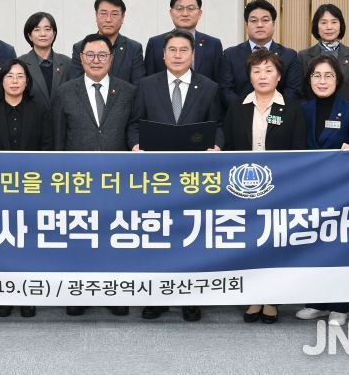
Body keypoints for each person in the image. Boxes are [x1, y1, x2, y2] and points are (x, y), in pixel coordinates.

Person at [129, 28, 223, 323]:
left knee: (189, 237)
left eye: (184, 50)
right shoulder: (147, 85)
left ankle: (189, 298)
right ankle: (156, 298)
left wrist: (217, 145)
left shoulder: (208, 87)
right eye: (172, 50)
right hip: (155, 175)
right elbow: (134, 124)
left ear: (193, 55)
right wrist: (135, 145)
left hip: (193, 175)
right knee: (157, 237)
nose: (178, 55)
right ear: (163, 54)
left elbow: (218, 125)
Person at [52, 33, 136, 317]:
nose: (96, 60)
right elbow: (58, 139)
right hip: (78, 179)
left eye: (102, 55)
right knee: (80, 236)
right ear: (81, 58)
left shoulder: (128, 91)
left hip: (117, 179)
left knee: (115, 236)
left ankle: (114, 292)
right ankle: (79, 291)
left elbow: (133, 131)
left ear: (111, 59)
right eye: (90, 55)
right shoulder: (65, 91)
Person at [223, 48, 307, 324]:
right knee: (249, 242)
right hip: (243, 187)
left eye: (269, 70)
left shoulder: (292, 108)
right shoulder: (238, 106)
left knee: (274, 243)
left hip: (280, 188)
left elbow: (298, 150)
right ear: (249, 76)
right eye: (257, 70)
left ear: (279, 76)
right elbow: (230, 147)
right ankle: (253, 296)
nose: (262, 76)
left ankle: (272, 299)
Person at [0, 59, 53, 319]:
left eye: (20, 76)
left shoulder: (39, 110)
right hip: (0, 189)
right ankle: (5, 295)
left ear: (27, 82)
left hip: (32, 187)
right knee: (4, 243)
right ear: (2, 81)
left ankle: (27, 296)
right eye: (9, 76)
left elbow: (47, 148)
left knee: (28, 243)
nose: (14, 81)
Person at [294, 54, 349, 327]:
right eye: (316, 76)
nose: (322, 81)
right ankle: (317, 303)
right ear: (309, 80)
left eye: (328, 76)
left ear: (338, 79)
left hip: (340, 189)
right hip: (309, 188)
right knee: (312, 245)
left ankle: (339, 307)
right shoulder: (302, 109)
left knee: (338, 247)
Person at [145, 0, 227, 109]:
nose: (185, 13)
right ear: (171, 13)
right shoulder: (156, 43)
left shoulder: (213, 44)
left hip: (202, 110)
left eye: (191, 8)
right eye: (179, 8)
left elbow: (219, 83)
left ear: (199, 13)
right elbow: (148, 83)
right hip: (163, 109)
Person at [223, 0, 303, 106]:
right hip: (239, 113)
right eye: (254, 21)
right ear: (246, 25)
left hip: (278, 114)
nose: (259, 25)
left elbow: (293, 91)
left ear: (273, 24)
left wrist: (269, 111)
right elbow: (226, 90)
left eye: (265, 20)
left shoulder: (289, 56)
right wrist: (244, 111)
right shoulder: (230, 55)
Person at [70, 0, 145, 84]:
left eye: (114, 14)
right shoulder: (80, 47)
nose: (108, 19)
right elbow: (75, 85)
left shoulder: (133, 48)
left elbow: (139, 86)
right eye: (103, 14)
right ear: (96, 16)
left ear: (123, 17)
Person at [298, 4, 349, 102]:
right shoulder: (303, 56)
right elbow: (300, 92)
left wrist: (348, 111)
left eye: (334, 22)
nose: (329, 27)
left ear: (341, 26)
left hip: (347, 110)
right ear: (316, 27)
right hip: (311, 110)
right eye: (323, 22)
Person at [18, 12, 71, 110]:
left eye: (47, 29)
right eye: (37, 30)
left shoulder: (67, 63)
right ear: (29, 36)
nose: (43, 34)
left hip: (62, 118)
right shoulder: (20, 64)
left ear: (54, 34)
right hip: (32, 118)